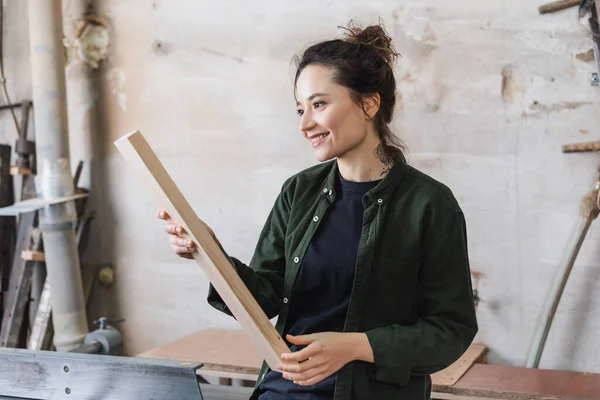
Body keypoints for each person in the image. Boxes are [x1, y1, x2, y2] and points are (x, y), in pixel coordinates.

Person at [158, 20, 478, 400]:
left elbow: (450, 331)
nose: (305, 124)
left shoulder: (429, 204)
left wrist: (356, 346)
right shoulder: (298, 192)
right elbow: (266, 298)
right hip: (283, 391)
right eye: (300, 110)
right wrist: (211, 255)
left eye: (319, 104)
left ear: (369, 103)